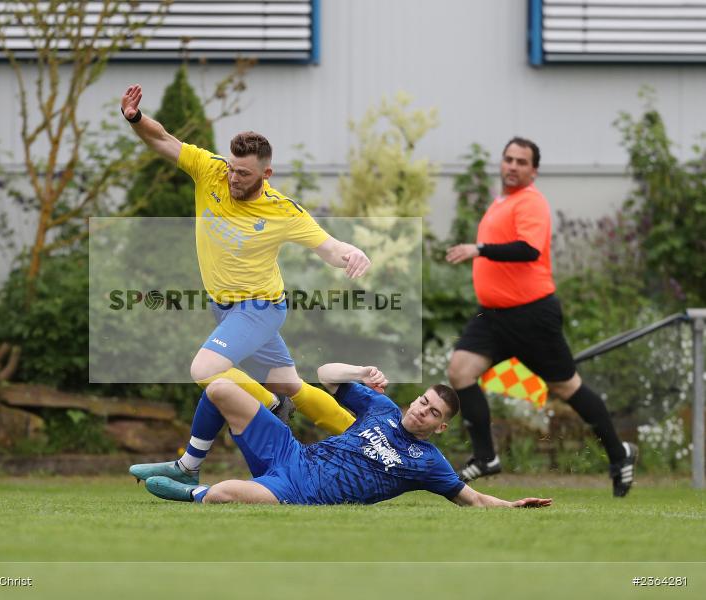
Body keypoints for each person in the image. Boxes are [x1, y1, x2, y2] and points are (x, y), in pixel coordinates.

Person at [120, 84, 369, 484]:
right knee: (293, 386)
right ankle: (370, 441)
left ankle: (263, 410)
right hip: (227, 309)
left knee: (206, 369)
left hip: (260, 308)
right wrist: (134, 118)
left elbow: (330, 248)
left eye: (244, 173)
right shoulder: (211, 169)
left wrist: (353, 253)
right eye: (232, 169)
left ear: (266, 174)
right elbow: (163, 140)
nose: (233, 178)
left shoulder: (282, 210)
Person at [444, 137, 637, 497]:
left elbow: (528, 249)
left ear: (533, 171)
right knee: (460, 371)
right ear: (501, 163)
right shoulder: (501, 202)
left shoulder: (531, 203)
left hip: (531, 314)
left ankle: (619, 453)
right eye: (508, 159)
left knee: (566, 387)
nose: (513, 166)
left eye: (522, 161)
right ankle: (486, 457)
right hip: (494, 316)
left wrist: (478, 249)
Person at [141, 363, 553, 508]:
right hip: (292, 453)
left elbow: (474, 499)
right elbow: (324, 374)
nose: (422, 410)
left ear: (440, 427)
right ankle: (188, 470)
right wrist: (361, 373)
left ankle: (194, 495)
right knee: (219, 390)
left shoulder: (429, 464)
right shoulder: (382, 408)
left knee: (224, 494)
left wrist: (513, 505)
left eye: (433, 412)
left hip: (301, 492)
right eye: (423, 401)